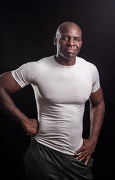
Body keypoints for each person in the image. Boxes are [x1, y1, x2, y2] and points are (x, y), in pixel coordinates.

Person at [0, 21, 105, 180]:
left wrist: (93, 140)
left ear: (81, 43)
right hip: (43, 154)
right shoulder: (38, 68)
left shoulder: (90, 70)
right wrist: (23, 120)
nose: (71, 43)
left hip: (77, 156)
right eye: (65, 38)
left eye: (76, 39)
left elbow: (98, 103)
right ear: (55, 40)